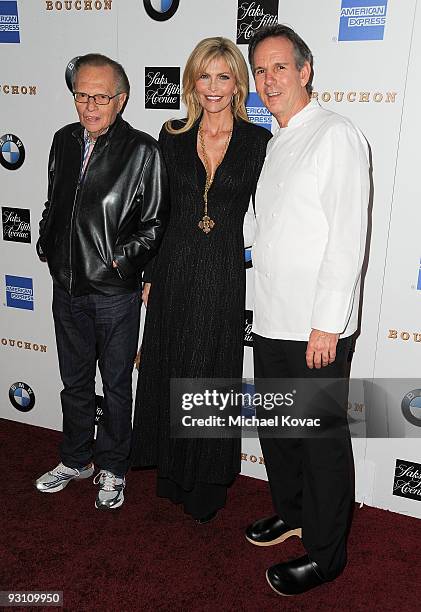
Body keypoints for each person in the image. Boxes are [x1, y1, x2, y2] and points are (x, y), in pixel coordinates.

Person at [245, 25, 369, 595]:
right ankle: (292, 513)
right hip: (271, 318)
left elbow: (346, 238)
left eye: (279, 68)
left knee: (319, 440)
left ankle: (326, 552)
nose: (268, 80)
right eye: (260, 70)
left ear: (306, 70)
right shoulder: (277, 140)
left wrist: (327, 323)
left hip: (315, 327)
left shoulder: (336, 135)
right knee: (279, 429)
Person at [131, 37, 271, 523]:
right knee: (170, 363)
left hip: (223, 273)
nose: (213, 87)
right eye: (205, 76)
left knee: (210, 370)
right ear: (192, 81)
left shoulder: (258, 143)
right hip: (173, 268)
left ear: (238, 83)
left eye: (224, 76)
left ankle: (206, 482)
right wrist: (148, 274)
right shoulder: (169, 136)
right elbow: (158, 211)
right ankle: (171, 473)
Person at [34, 53, 168, 510]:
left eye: (100, 96)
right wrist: (46, 241)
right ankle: (75, 459)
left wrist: (117, 264)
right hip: (65, 287)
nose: (89, 105)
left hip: (114, 295)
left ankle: (112, 467)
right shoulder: (63, 140)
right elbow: (54, 200)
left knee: (114, 385)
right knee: (73, 382)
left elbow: (153, 226)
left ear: (121, 99)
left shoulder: (143, 151)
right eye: (81, 95)